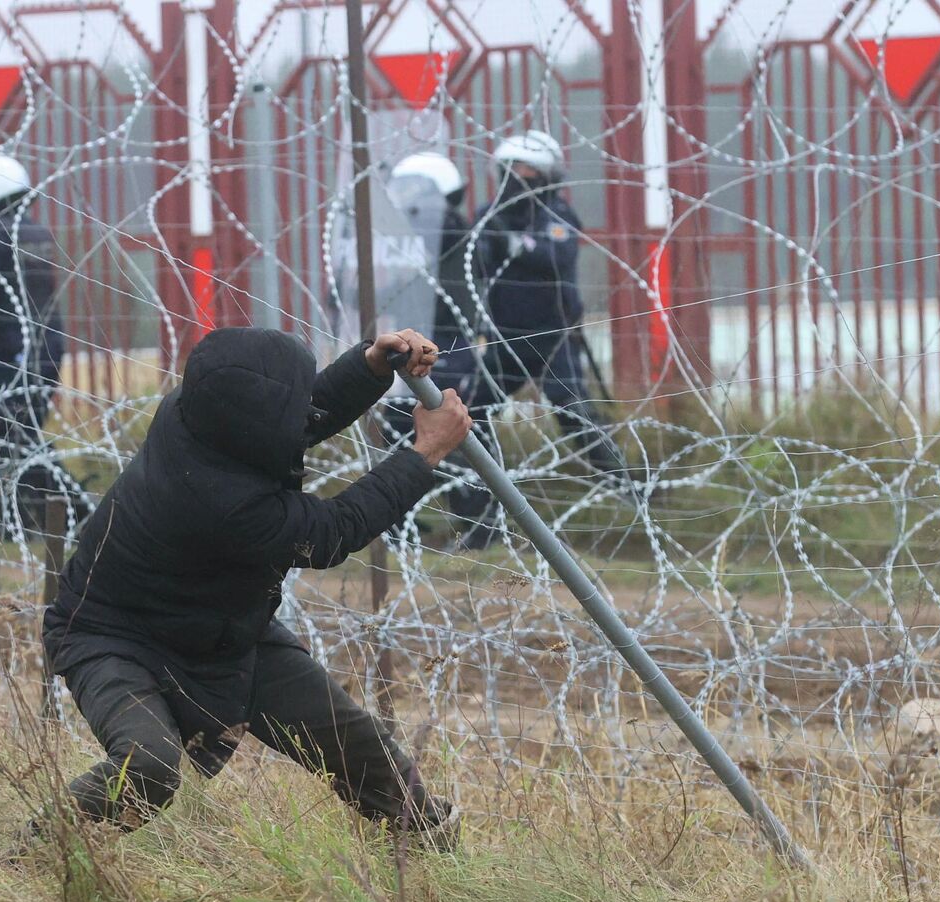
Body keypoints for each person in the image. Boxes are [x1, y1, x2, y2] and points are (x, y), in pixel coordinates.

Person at [38, 327, 472, 847]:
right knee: (148, 764)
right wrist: (424, 453)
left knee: (358, 745)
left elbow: (295, 414)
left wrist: (370, 366)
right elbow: (332, 533)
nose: (303, 408)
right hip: (112, 636)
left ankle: (433, 851)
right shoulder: (223, 503)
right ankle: (38, 854)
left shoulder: (197, 414)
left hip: (220, 627)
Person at [454, 130, 632, 550]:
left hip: (554, 339)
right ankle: (482, 519)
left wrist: (512, 243)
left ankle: (631, 496)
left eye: (528, 170)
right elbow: (473, 261)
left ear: (547, 176)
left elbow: (555, 257)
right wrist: (498, 238)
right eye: (511, 169)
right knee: (470, 417)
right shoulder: (489, 215)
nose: (519, 177)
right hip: (506, 340)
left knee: (575, 415)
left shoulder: (560, 215)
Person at [0, 153, 87, 535]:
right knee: (18, 437)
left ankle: (4, 520)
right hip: (41, 347)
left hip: (11, 353)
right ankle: (64, 513)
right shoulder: (32, 230)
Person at [376, 150, 492, 538]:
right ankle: (402, 518)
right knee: (408, 423)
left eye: (414, 189)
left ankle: (475, 521)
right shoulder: (432, 229)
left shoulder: (445, 226)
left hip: (447, 341)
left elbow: (415, 274)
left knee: (438, 426)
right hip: (431, 337)